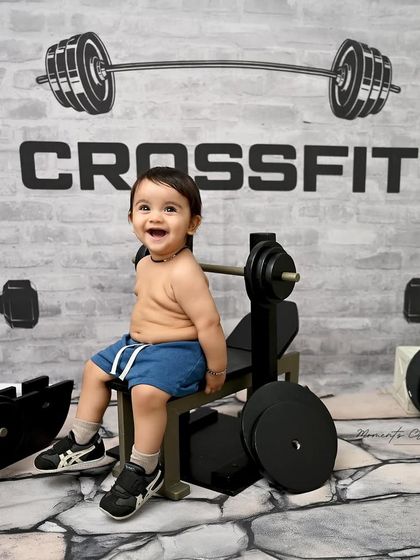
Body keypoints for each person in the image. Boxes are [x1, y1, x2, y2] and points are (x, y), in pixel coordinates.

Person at [35, 166, 228, 520]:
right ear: (132, 218)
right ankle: (85, 442)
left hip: (180, 351)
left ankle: (145, 468)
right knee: (93, 368)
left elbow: (209, 323)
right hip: (137, 345)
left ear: (192, 224)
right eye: (145, 208)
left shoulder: (185, 272)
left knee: (145, 394)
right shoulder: (146, 262)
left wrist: (217, 369)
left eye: (170, 209)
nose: (156, 216)